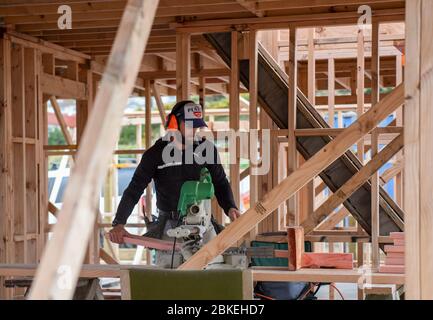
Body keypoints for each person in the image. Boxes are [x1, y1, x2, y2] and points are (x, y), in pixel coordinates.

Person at [109, 100, 241, 267]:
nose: (195, 130)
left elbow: (221, 182)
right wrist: (119, 223)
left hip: (203, 224)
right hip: (170, 227)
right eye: (190, 125)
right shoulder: (155, 154)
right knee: (170, 279)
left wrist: (231, 207)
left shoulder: (206, 149)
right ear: (174, 123)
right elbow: (135, 189)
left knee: (214, 270)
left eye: (197, 126)